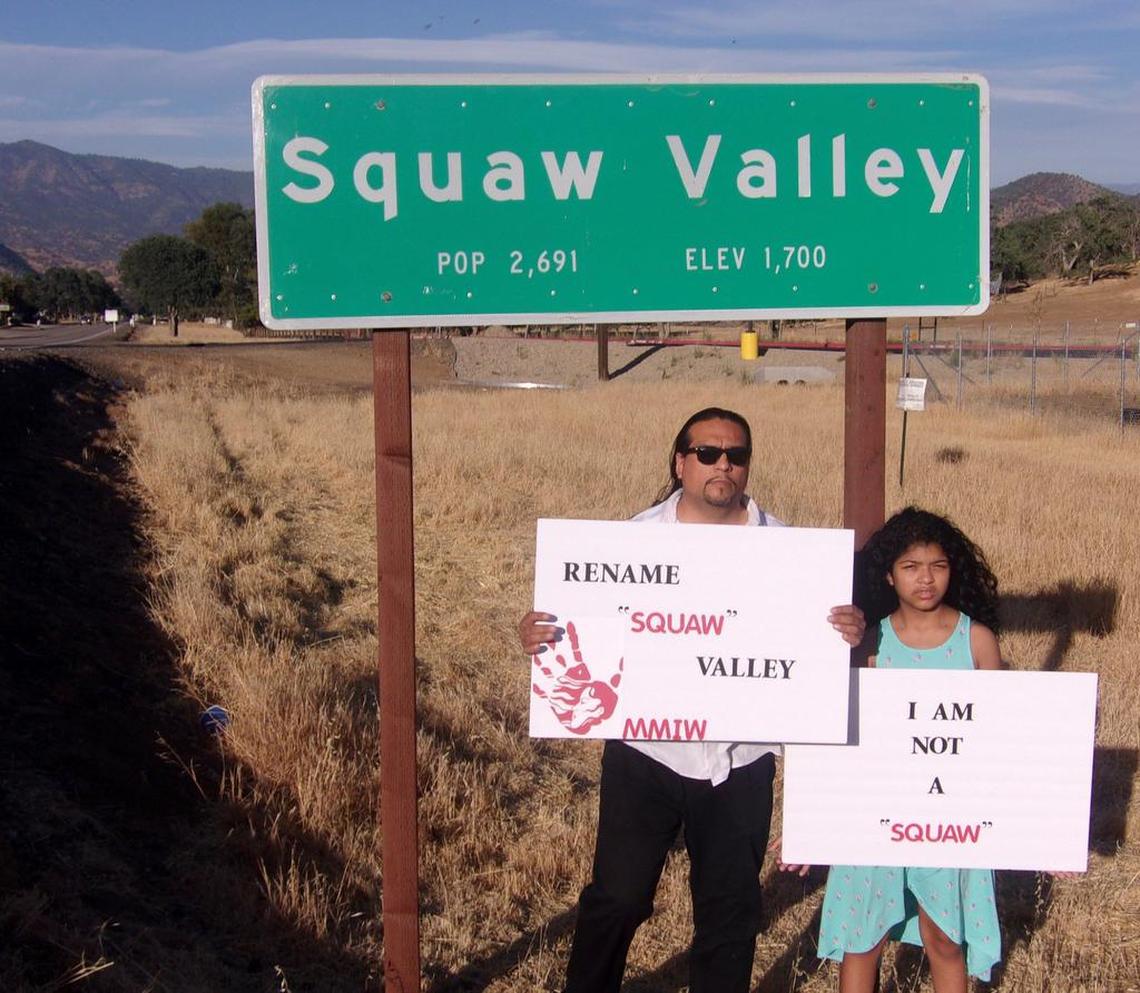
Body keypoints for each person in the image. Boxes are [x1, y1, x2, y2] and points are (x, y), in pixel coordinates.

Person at [519, 406, 865, 993]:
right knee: (618, 899)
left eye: (736, 455)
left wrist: (848, 635)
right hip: (646, 753)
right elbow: (580, 632)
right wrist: (538, 635)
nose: (722, 465)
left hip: (742, 760)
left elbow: (816, 659)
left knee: (730, 915)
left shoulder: (793, 554)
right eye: (708, 453)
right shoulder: (628, 543)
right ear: (681, 463)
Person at [815, 506, 1003, 992]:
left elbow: (1000, 730)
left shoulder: (976, 641)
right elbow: (842, 735)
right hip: (875, 811)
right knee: (863, 939)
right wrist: (811, 819)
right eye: (911, 567)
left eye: (938, 566)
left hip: (948, 814)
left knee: (944, 936)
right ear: (889, 576)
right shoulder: (871, 643)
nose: (926, 579)